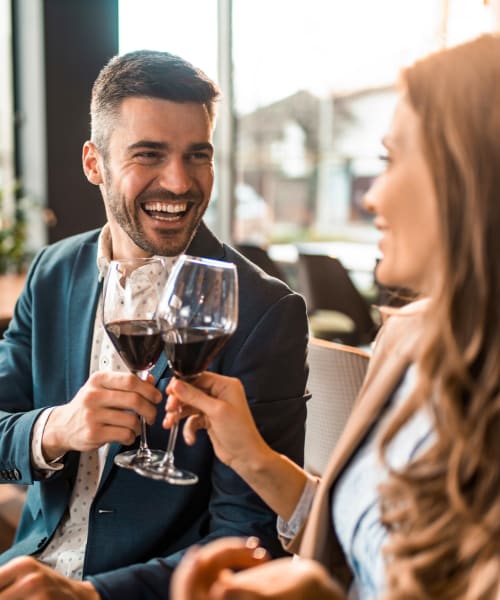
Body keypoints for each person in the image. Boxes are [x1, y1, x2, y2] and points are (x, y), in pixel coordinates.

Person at [166, 34, 500, 599]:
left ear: (469, 178)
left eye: (391, 161)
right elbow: (371, 533)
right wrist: (252, 455)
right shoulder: (410, 341)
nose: (371, 197)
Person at [0, 50, 309, 599]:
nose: (179, 182)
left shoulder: (265, 312)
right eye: (149, 154)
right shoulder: (52, 272)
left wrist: (89, 595)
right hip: (23, 567)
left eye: (197, 156)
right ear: (94, 164)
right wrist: (55, 429)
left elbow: (248, 540)